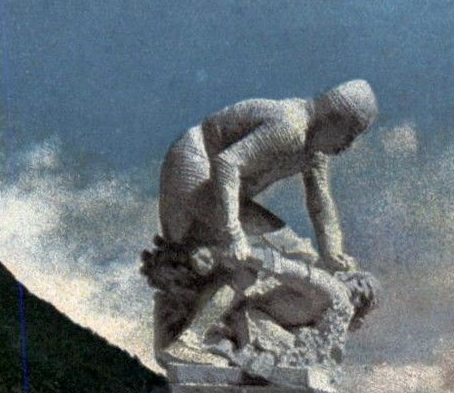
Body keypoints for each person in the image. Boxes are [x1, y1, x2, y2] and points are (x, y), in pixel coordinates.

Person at [157, 79, 378, 273]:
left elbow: (320, 203)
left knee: (295, 254)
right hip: (193, 167)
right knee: (293, 253)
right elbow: (227, 164)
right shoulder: (291, 127)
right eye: (350, 134)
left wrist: (332, 252)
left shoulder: (314, 151)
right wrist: (234, 235)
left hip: (214, 185)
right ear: (332, 120)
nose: (348, 146)